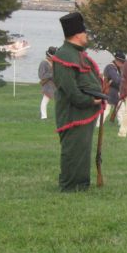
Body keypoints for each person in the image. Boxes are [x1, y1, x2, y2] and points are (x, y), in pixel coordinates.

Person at [51, 12, 104, 192]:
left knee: (82, 149)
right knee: (73, 150)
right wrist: (90, 100)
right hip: (73, 113)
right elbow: (70, 89)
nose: (86, 36)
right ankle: (70, 185)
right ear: (77, 35)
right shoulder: (65, 55)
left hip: (84, 111)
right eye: (84, 33)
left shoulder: (77, 54)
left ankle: (81, 184)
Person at [101, 51, 125, 126]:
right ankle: (98, 124)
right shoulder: (110, 67)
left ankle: (122, 124)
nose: (122, 64)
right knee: (106, 110)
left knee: (121, 109)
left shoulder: (117, 68)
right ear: (117, 60)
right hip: (109, 92)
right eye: (121, 62)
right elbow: (116, 80)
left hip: (115, 92)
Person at [38, 46, 57, 120]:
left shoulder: (54, 62)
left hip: (54, 84)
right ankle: (44, 117)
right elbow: (41, 75)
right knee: (45, 101)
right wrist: (51, 75)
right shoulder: (43, 63)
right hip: (48, 84)